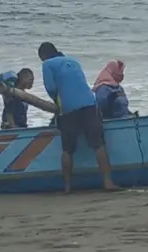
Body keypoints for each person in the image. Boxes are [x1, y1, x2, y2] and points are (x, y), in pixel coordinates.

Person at [38, 42, 117, 193]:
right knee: (98, 144)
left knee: (68, 148)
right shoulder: (73, 60)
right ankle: (108, 182)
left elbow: (51, 88)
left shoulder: (47, 64)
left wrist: (57, 105)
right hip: (89, 103)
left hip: (69, 108)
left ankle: (67, 187)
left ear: (43, 56)